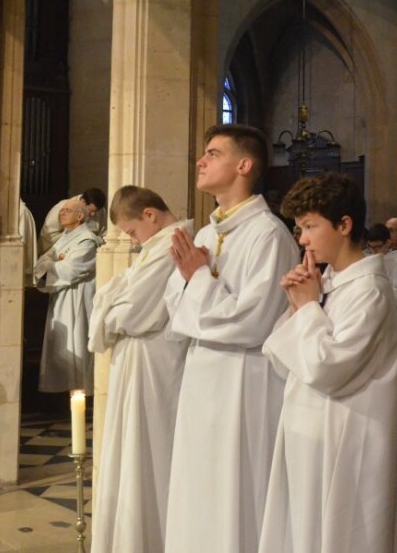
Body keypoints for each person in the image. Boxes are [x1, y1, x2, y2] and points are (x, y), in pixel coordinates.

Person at [163, 124, 297, 553]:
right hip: (203, 374)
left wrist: (199, 278)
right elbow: (173, 304)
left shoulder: (268, 234)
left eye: (212, 154)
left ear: (244, 165)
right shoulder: (204, 235)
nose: (200, 161)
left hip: (244, 380)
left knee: (235, 489)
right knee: (199, 483)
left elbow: (253, 320)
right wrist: (195, 282)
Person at [258, 173, 397, 553]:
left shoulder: (369, 290)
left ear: (344, 225)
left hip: (346, 440)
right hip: (310, 433)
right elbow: (282, 359)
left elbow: (327, 369)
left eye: (309, 226)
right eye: (299, 228)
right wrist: (297, 305)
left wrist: (306, 308)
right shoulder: (331, 283)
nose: (301, 239)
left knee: (340, 536)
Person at [87, 186, 191, 553]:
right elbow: (110, 299)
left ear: (150, 214)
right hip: (138, 360)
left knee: (149, 453)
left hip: (155, 363)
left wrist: (109, 306)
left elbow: (131, 313)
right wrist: (111, 304)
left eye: (132, 231)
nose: (132, 241)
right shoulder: (154, 247)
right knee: (130, 452)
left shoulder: (171, 246)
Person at [33, 196, 100, 393]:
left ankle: (80, 393)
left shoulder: (87, 240)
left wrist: (51, 265)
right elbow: (40, 263)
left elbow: (72, 269)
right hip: (61, 298)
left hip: (78, 300)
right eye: (62, 210)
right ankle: (63, 392)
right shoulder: (64, 238)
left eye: (67, 210)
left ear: (80, 216)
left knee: (77, 341)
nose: (62, 213)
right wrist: (52, 265)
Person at [366, 222, 397, 386]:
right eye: (371, 248)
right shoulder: (368, 263)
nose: (374, 252)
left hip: (391, 323)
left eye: (378, 247)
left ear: (388, 243)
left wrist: (374, 290)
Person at [39, 188, 108, 254]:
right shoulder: (63, 208)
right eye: (91, 211)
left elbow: (104, 236)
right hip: (64, 253)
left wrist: (92, 239)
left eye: (96, 211)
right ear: (83, 202)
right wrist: (77, 238)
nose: (93, 214)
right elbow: (48, 237)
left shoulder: (101, 212)